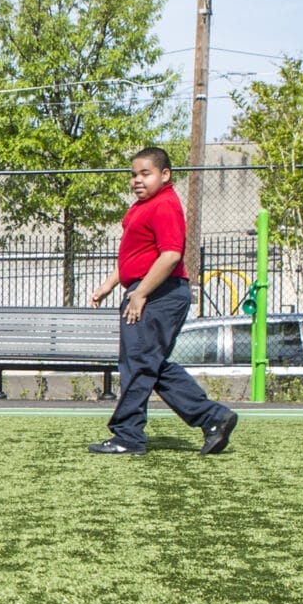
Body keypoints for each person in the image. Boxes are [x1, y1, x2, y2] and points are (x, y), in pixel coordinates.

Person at [86, 146, 237, 456]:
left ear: (165, 175)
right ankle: (213, 418)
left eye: (146, 173)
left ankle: (128, 436)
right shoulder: (142, 206)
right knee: (148, 364)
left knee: (139, 365)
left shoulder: (165, 204)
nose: (137, 180)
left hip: (159, 293)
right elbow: (135, 256)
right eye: (134, 174)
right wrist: (108, 285)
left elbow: (170, 255)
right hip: (147, 289)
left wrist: (140, 294)